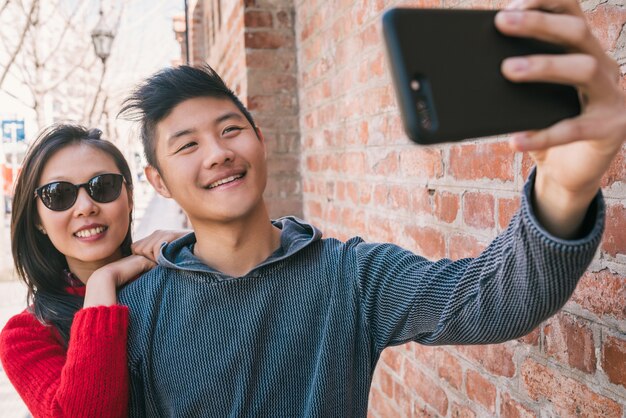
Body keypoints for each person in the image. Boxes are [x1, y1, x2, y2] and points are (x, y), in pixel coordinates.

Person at [117, 0, 625, 415]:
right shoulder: (138, 308)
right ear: (158, 182)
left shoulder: (350, 276)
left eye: (230, 130)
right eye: (187, 146)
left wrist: (562, 188)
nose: (218, 153)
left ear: (260, 141)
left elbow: (495, 300)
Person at [0, 124, 185, 418]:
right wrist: (103, 282)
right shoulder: (26, 335)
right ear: (37, 219)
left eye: (103, 186)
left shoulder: (177, 276)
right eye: (58, 194)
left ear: (130, 198)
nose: (86, 207)